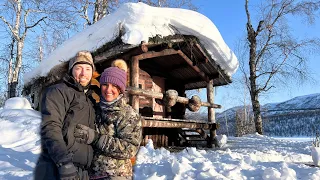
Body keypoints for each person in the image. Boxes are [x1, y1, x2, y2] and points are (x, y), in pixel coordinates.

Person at [74, 59, 142, 180]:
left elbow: (129, 149)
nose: (108, 90)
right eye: (105, 84)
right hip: (90, 173)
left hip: (116, 175)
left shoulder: (128, 115)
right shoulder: (95, 109)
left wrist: (96, 139)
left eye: (114, 85)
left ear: (121, 89)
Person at [34, 50, 96, 180]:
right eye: (79, 68)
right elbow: (51, 127)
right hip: (58, 168)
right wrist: (64, 163)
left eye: (88, 69)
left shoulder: (90, 100)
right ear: (71, 70)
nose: (84, 73)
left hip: (82, 171)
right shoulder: (58, 91)